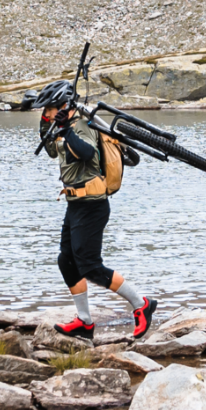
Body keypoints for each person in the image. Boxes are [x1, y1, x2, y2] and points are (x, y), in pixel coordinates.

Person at [22, 79, 156, 337]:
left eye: (48, 108)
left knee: (91, 267)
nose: (46, 113)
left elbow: (85, 152)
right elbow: (52, 150)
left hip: (92, 206)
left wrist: (66, 129)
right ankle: (84, 321)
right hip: (74, 205)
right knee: (67, 261)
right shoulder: (63, 125)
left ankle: (142, 304)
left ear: (62, 105)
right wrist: (46, 121)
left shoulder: (82, 126)